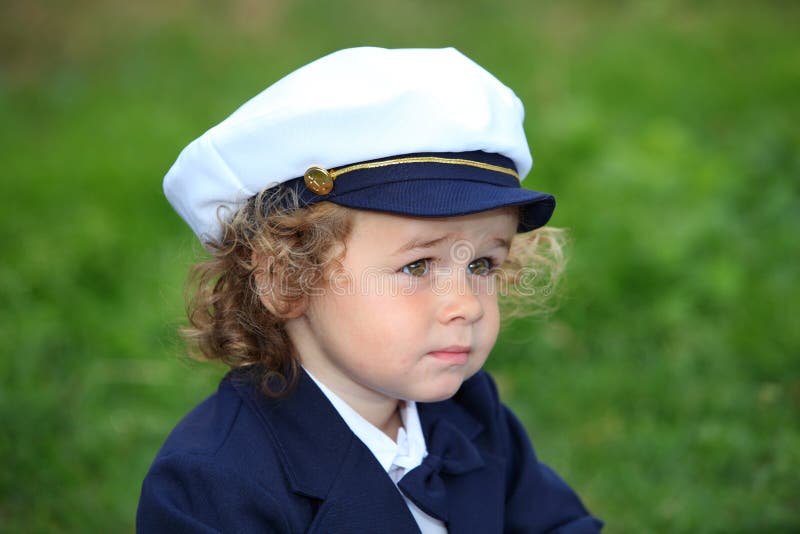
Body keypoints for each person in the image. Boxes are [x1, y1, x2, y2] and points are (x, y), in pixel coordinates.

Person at [137, 47, 603, 533]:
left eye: (483, 264)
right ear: (284, 277)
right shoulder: (213, 483)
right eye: (418, 265)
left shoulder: (469, 415)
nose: (466, 304)